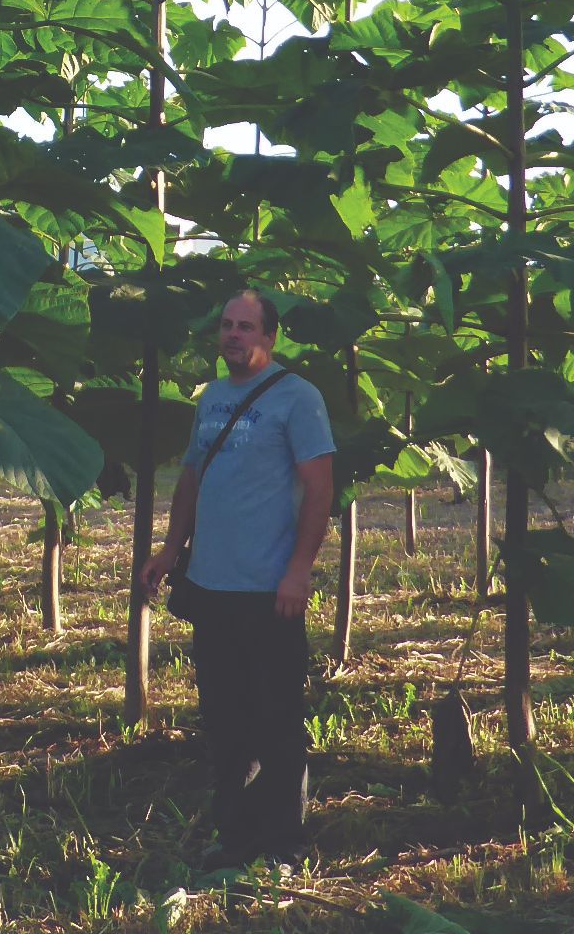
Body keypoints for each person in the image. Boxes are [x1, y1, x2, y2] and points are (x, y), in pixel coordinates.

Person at [137, 290, 335, 869]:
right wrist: (172, 550)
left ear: (269, 338)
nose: (233, 335)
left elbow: (320, 490)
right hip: (212, 584)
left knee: (275, 716)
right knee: (225, 718)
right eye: (226, 325)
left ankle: (283, 843)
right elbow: (194, 478)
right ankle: (237, 837)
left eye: (246, 327)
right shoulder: (214, 399)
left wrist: (298, 570)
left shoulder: (299, 399)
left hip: (270, 588)